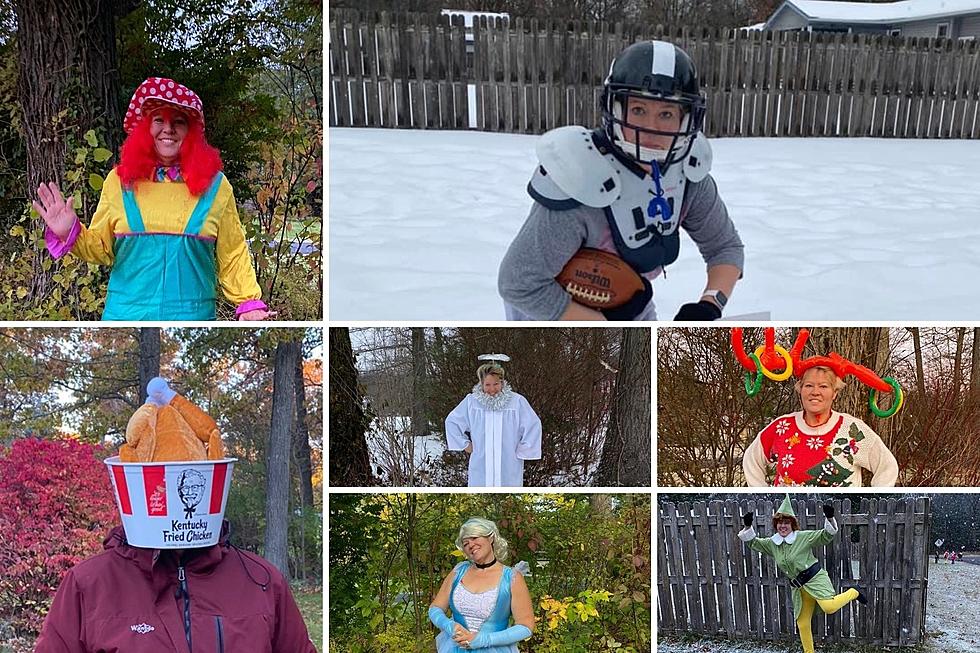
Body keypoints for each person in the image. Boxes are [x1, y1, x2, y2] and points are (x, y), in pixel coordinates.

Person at [498, 40, 744, 321]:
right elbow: (519, 283)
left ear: (686, 119)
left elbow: (726, 247)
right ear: (616, 109)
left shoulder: (689, 175)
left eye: (666, 113)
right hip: (550, 312)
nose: (651, 128)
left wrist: (709, 305)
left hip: (629, 305)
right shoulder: (582, 175)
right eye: (639, 109)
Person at [32, 77, 272, 321]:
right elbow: (102, 250)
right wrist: (70, 232)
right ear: (146, 128)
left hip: (192, 318)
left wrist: (248, 302)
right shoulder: (119, 181)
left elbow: (233, 251)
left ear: (191, 132)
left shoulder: (216, 186)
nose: (168, 129)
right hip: (124, 318)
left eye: (178, 121)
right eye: (159, 119)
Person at [738, 496, 867, 653]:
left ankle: (854, 592)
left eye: (786, 522)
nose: (782, 526)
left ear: (792, 524)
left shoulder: (802, 537)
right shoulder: (773, 543)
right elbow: (753, 543)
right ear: (775, 525)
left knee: (829, 607)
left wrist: (830, 518)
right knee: (803, 623)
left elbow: (825, 536)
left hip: (815, 579)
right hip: (799, 588)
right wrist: (747, 526)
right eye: (779, 522)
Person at [743, 365, 899, 487]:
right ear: (800, 390)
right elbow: (752, 460)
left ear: (834, 393)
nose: (815, 392)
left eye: (823, 386)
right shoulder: (782, 427)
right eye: (808, 386)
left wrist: (873, 500)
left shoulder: (852, 429)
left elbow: (887, 466)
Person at [428, 518, 534, 651]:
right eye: (465, 543)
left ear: (490, 538)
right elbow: (435, 608)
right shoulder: (458, 571)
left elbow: (526, 626)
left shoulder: (511, 578)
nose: (470, 545)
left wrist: (484, 640)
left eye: (474, 537)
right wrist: (449, 625)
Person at [445, 357, 542, 487]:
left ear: (502, 382)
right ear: (481, 384)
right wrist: (465, 444)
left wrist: (523, 450)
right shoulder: (472, 402)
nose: (492, 389)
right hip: (481, 462)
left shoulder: (516, 402)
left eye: (496, 384)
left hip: (508, 462)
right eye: (487, 385)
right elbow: (452, 422)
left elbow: (533, 425)